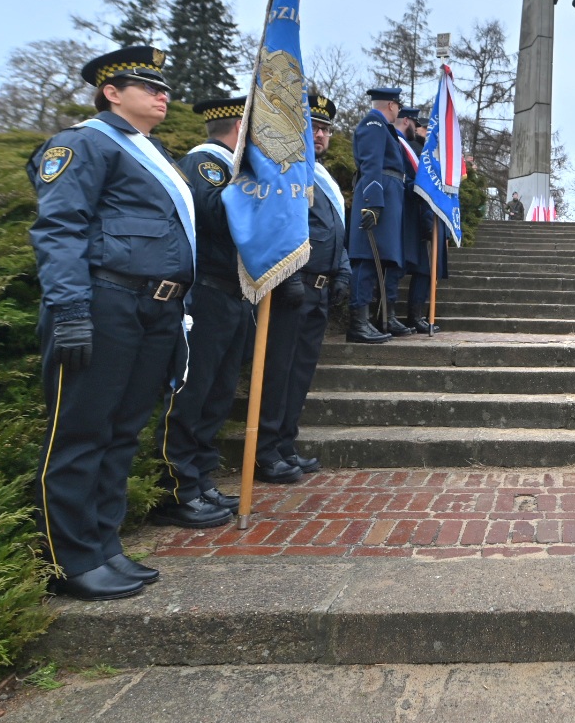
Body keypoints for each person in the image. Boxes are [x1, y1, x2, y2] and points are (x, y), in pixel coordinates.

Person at [27, 46, 194, 601]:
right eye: (145, 85)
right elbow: (60, 230)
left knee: (122, 432)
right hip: (104, 302)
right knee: (81, 431)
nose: (161, 93)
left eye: (163, 86)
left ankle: (103, 544)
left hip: (156, 308)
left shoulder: (154, 153)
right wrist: (71, 311)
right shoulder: (82, 143)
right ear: (111, 93)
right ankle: (68, 559)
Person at [148, 96, 253, 528]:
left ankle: (201, 477)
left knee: (217, 393)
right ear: (239, 130)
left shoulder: (231, 168)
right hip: (207, 294)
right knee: (192, 392)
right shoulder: (205, 163)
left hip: (232, 294)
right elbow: (217, 213)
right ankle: (177, 488)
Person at [253, 94, 354, 482]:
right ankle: (264, 451)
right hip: (291, 287)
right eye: (313, 126)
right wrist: (291, 275)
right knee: (278, 369)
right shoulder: (284, 170)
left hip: (320, 290)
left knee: (299, 372)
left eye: (326, 128)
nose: (321, 134)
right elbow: (278, 225)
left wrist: (342, 272)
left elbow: (336, 233)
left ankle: (284, 443)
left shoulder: (321, 176)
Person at [348, 87, 411, 343]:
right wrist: (372, 202)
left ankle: (372, 319)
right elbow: (370, 163)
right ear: (392, 105)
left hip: (389, 194)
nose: (398, 110)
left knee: (379, 261)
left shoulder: (383, 129)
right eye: (398, 105)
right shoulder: (373, 123)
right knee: (366, 258)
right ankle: (358, 323)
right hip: (379, 194)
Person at [399, 106, 443, 335]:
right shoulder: (417, 152)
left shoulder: (420, 151)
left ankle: (414, 316)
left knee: (422, 270)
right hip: (416, 220)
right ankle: (413, 317)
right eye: (426, 129)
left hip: (418, 219)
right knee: (420, 270)